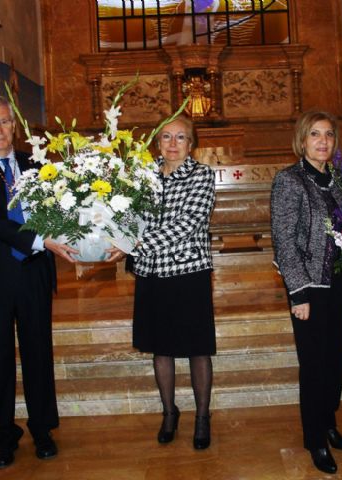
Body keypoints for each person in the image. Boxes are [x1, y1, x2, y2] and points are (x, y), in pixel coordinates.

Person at [0, 96, 78, 469]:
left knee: (39, 353)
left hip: (33, 273)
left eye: (4, 122)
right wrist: (41, 241)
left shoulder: (36, 164)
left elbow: (60, 208)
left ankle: (42, 429)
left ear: (14, 126)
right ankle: (4, 435)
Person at [109, 115, 217, 449]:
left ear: (191, 143)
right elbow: (127, 216)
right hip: (151, 273)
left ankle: (202, 417)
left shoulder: (201, 175)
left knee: (197, 348)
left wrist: (135, 244)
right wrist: (115, 235)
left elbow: (188, 222)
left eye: (180, 137)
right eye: (166, 137)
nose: (173, 144)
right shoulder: (142, 177)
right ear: (157, 143)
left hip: (189, 274)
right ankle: (169, 412)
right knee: (161, 347)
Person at [270, 111, 342, 475]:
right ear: (302, 140)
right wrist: (298, 294)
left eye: (329, 135)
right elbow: (284, 240)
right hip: (310, 287)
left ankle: (328, 421)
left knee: (335, 360)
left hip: (340, 282)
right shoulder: (289, 180)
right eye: (315, 134)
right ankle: (315, 437)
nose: (323, 141)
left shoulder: (340, 179)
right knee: (315, 365)